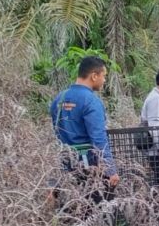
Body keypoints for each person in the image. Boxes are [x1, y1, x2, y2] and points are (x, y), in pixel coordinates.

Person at [50, 55, 119, 200]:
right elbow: (98, 138)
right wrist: (110, 169)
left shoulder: (59, 99)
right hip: (88, 164)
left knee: (72, 207)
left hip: (64, 162)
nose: (104, 80)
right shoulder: (91, 101)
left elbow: (56, 132)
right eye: (103, 76)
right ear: (94, 76)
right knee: (95, 208)